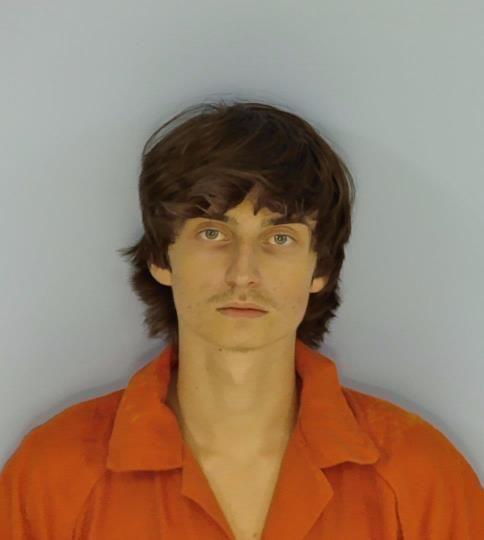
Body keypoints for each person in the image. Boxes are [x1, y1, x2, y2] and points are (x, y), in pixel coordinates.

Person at [1, 99, 482, 540]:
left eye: (280, 238)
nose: (243, 273)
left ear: (321, 269)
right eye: (213, 233)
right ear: (161, 257)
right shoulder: (53, 475)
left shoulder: (422, 477)